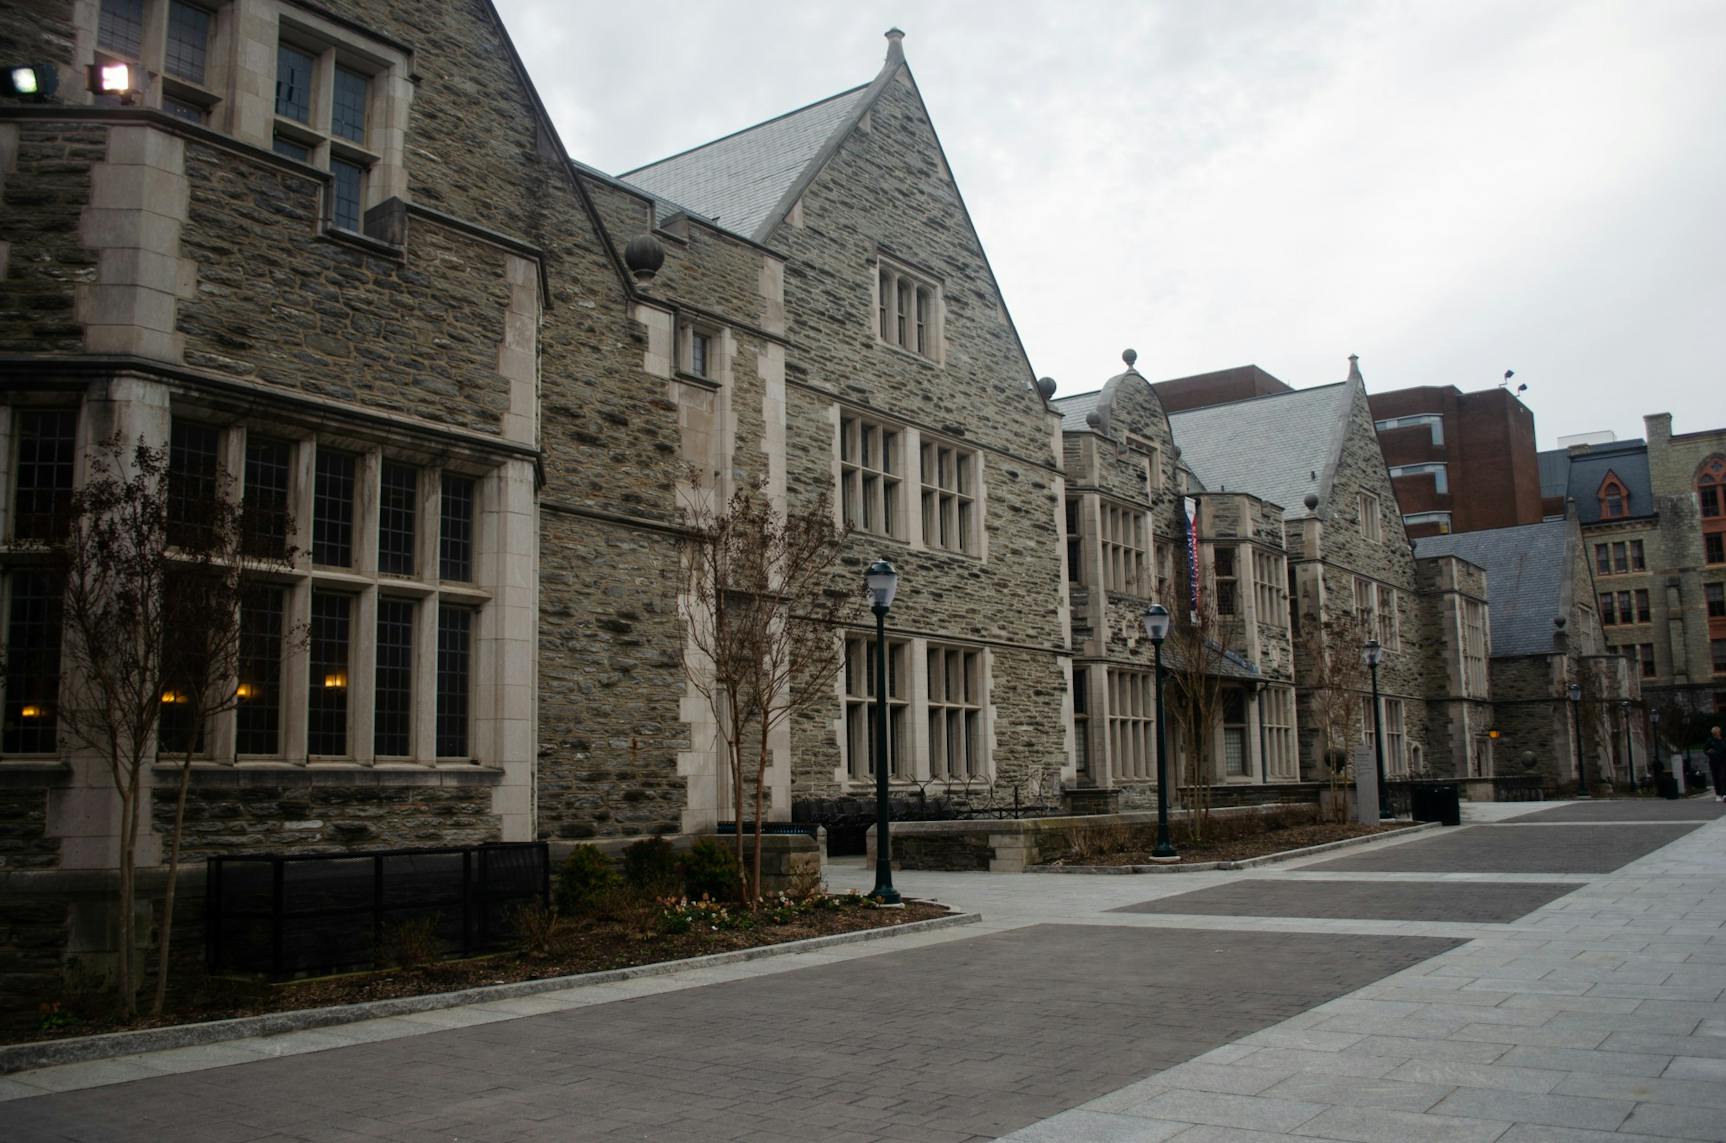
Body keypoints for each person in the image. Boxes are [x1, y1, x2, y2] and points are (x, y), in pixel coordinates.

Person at [1707, 725, 1726, 802]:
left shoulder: (1723, 740)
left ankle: (1724, 794)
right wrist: (1710, 753)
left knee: (1723, 777)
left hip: (1723, 761)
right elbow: (1705, 750)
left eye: (1718, 732)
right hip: (1714, 762)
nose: (1717, 733)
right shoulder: (1710, 741)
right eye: (1716, 732)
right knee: (1716, 778)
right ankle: (1718, 794)